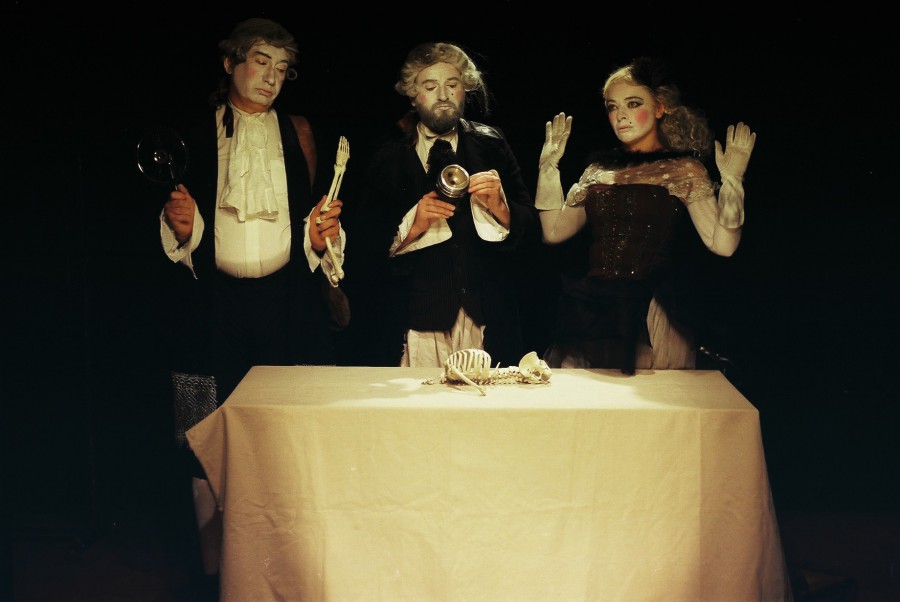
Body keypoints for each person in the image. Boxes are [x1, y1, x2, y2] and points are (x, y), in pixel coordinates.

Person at [157, 17, 345, 596]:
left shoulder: (300, 132)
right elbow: (177, 228)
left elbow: (310, 220)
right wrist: (183, 229)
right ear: (230, 63)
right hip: (212, 306)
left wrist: (319, 239)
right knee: (203, 435)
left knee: (280, 439)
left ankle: (277, 569)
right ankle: (213, 576)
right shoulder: (196, 131)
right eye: (260, 62)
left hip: (284, 307)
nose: (271, 78)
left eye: (282, 69)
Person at [535, 56, 756, 374]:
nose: (621, 115)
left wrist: (733, 182)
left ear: (660, 108)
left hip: (650, 314)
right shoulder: (597, 171)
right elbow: (554, 233)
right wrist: (548, 167)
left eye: (633, 103)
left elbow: (723, 245)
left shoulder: (683, 170)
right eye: (612, 107)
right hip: (593, 311)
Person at [347, 41, 540, 368]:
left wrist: (502, 208)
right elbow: (364, 245)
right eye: (430, 86)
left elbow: (531, 228)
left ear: (465, 89)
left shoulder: (491, 143)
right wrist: (414, 225)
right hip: (417, 322)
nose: (443, 95)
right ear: (413, 95)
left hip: (484, 317)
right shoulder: (387, 154)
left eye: (452, 85)